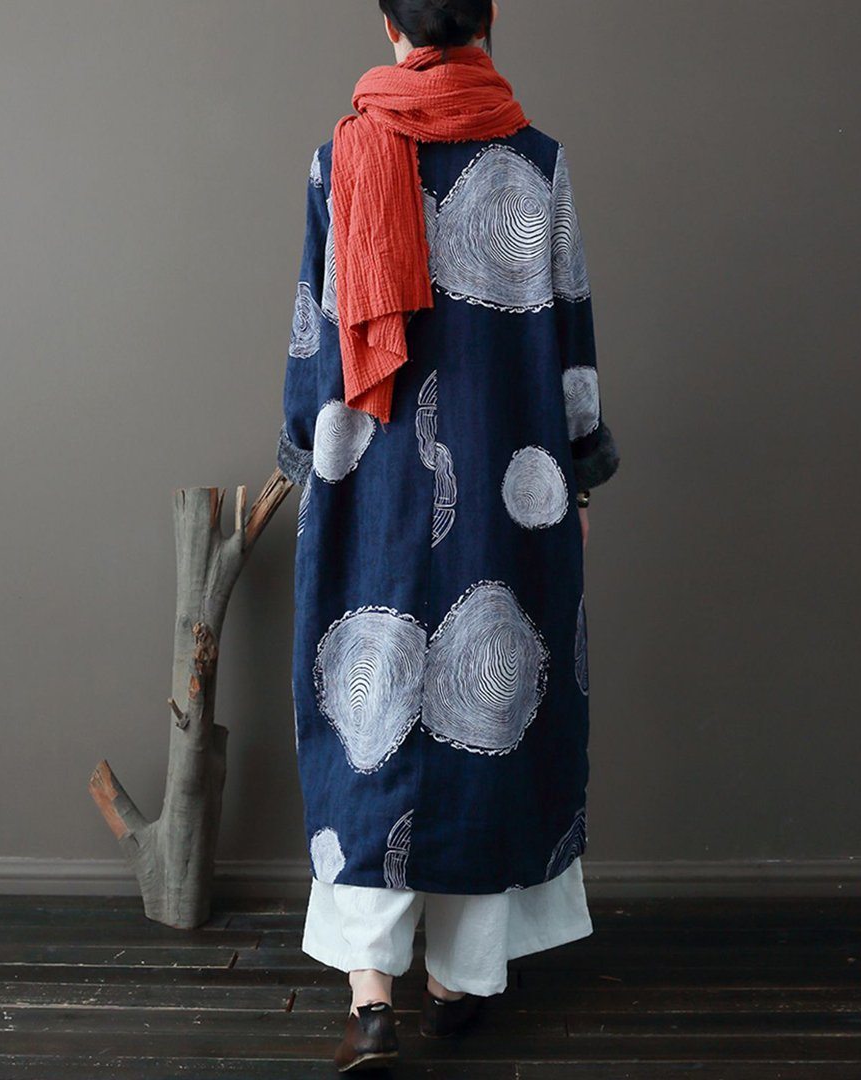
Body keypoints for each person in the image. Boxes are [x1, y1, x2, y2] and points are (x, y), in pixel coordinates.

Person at [275, 1, 620, 1070]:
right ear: (491, 14)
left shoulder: (340, 158)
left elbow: (314, 339)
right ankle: (460, 979)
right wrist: (580, 471)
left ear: (388, 24)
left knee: (367, 709)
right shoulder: (538, 162)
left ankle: (370, 998)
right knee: (495, 709)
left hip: (366, 479)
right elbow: (569, 332)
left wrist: (304, 454)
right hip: (509, 477)